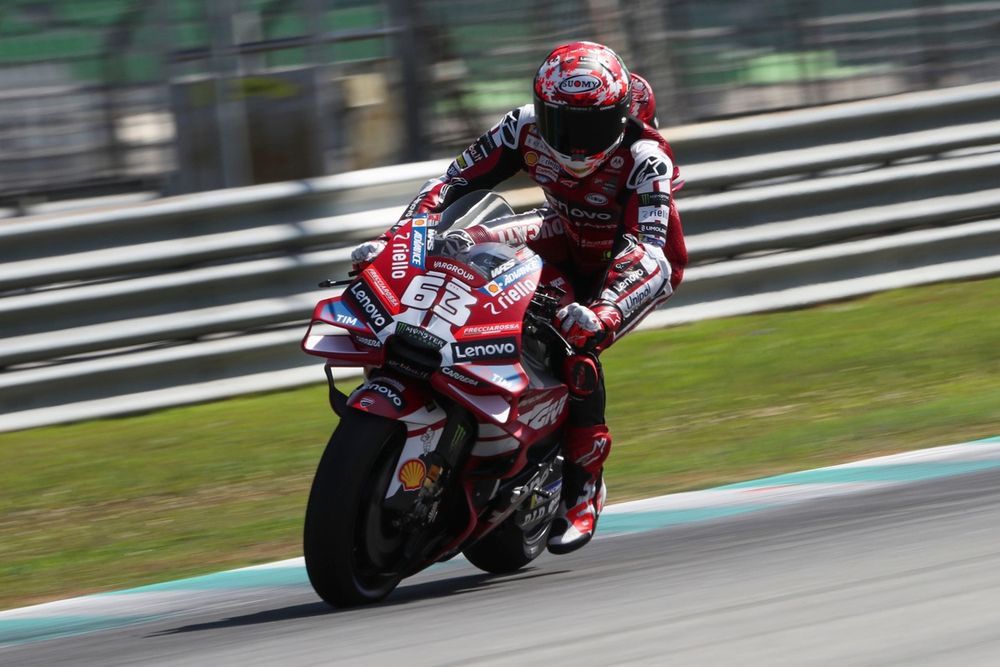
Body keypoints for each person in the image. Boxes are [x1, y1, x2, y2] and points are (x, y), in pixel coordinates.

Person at [351, 41, 687, 554]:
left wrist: (605, 309)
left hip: (624, 264)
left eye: (590, 129)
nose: (575, 146)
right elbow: (452, 182)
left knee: (576, 348)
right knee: (461, 251)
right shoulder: (521, 128)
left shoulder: (645, 160)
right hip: (562, 233)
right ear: (541, 111)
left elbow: (652, 253)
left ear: (618, 118)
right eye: (562, 126)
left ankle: (583, 486)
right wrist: (398, 240)